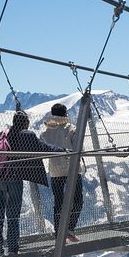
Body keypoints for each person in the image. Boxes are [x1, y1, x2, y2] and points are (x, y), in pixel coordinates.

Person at [0, 111, 66, 256]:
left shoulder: (2, 134)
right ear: (26, 123)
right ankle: (12, 249)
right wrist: (63, 151)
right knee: (13, 215)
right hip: (12, 180)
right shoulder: (27, 135)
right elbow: (44, 148)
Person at [39, 103, 83, 243]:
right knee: (77, 200)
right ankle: (69, 229)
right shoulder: (71, 129)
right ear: (65, 114)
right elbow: (78, 147)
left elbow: (41, 148)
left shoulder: (45, 133)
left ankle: (59, 234)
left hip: (55, 171)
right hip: (72, 170)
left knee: (59, 202)